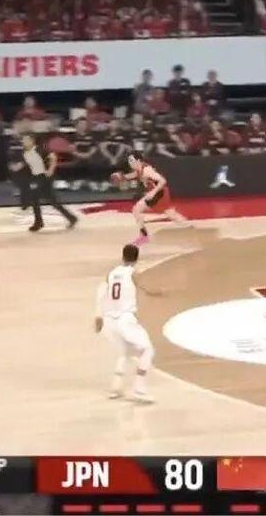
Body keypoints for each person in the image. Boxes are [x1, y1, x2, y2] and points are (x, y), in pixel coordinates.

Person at [95, 244, 158, 402]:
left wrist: (98, 316)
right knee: (147, 349)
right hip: (125, 319)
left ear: (122, 256)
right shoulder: (133, 273)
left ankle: (116, 388)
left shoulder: (111, 273)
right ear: (136, 258)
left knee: (124, 352)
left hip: (110, 321)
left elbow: (101, 292)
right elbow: (149, 289)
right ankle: (139, 390)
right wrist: (162, 292)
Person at [112, 152, 187, 246]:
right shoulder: (139, 169)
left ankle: (144, 237)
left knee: (137, 209)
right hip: (159, 194)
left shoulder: (147, 170)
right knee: (169, 213)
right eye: (129, 161)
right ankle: (189, 227)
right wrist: (122, 177)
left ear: (138, 160)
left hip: (159, 194)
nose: (130, 163)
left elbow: (163, 180)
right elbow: (134, 175)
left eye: (131, 160)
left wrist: (153, 192)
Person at [21, 134, 78, 232]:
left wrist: (51, 169)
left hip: (45, 176)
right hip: (36, 176)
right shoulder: (24, 152)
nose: (23, 142)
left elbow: (53, 157)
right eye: (23, 140)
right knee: (52, 201)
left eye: (25, 140)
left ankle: (38, 222)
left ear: (32, 141)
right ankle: (71, 218)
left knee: (35, 196)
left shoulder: (40, 149)